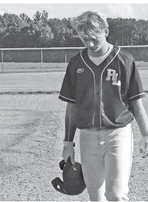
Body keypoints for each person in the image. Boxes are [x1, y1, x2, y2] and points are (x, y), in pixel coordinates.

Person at [59, 11, 148, 201]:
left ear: (105, 31)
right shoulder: (76, 64)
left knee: (116, 194)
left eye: (94, 38)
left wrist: (146, 134)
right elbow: (71, 107)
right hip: (88, 136)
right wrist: (68, 143)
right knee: (96, 197)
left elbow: (135, 102)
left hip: (118, 135)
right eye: (84, 39)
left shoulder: (124, 60)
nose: (90, 44)